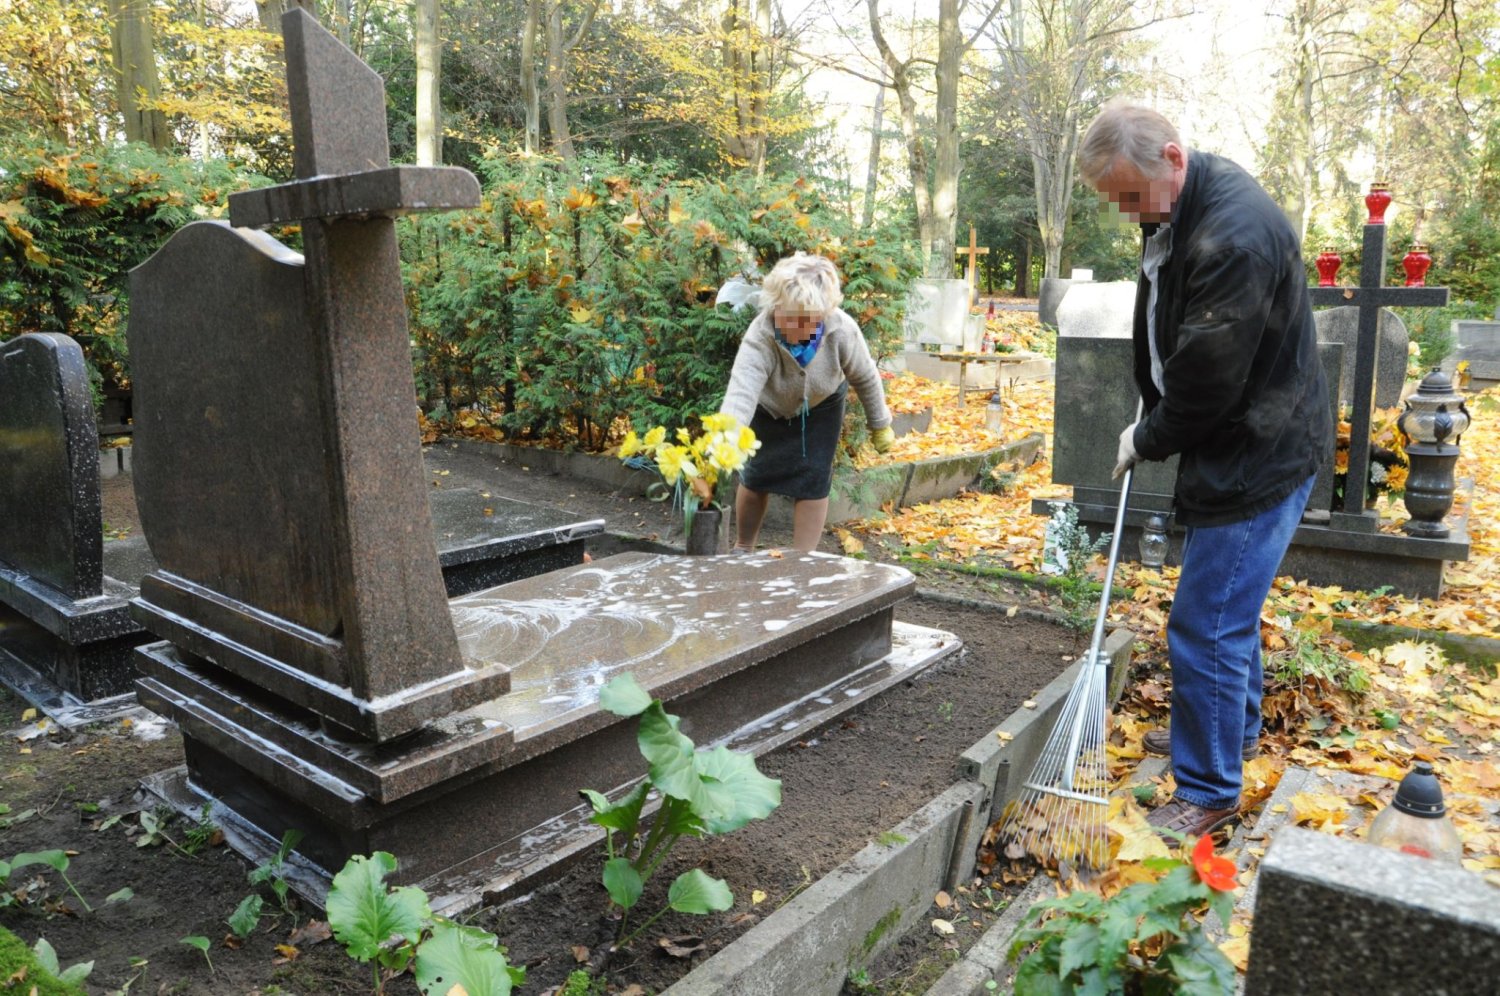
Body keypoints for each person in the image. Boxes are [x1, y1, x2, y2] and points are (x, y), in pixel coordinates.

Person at [1077, 103, 1330, 839]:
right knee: (1227, 613)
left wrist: (1147, 435)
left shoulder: (1234, 237)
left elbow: (1210, 381)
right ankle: (1230, 735)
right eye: (1117, 201)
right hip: (1241, 438)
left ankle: (1210, 789)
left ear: (1173, 158)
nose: (1128, 215)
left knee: (1205, 620)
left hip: (1257, 449)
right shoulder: (1179, 208)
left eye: (1131, 197)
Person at [719, 253, 895, 552]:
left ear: (822, 314)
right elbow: (742, 390)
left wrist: (880, 424)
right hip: (769, 408)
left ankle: (804, 559)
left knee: (813, 480)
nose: (793, 326)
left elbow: (865, 376)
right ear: (774, 306)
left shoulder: (841, 330)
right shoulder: (761, 335)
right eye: (786, 316)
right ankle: (743, 547)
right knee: (755, 475)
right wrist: (729, 438)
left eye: (804, 320)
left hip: (822, 407)